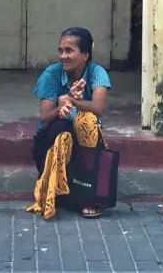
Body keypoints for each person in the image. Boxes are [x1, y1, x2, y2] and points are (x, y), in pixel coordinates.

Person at [27, 27, 112, 220]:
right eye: (60, 51)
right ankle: (60, 187)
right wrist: (61, 107)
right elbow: (45, 118)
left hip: (84, 142)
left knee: (88, 121)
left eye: (69, 50)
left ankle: (88, 193)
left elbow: (97, 108)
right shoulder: (52, 74)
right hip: (50, 143)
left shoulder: (96, 73)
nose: (63, 56)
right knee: (61, 128)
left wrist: (71, 101)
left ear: (85, 54)